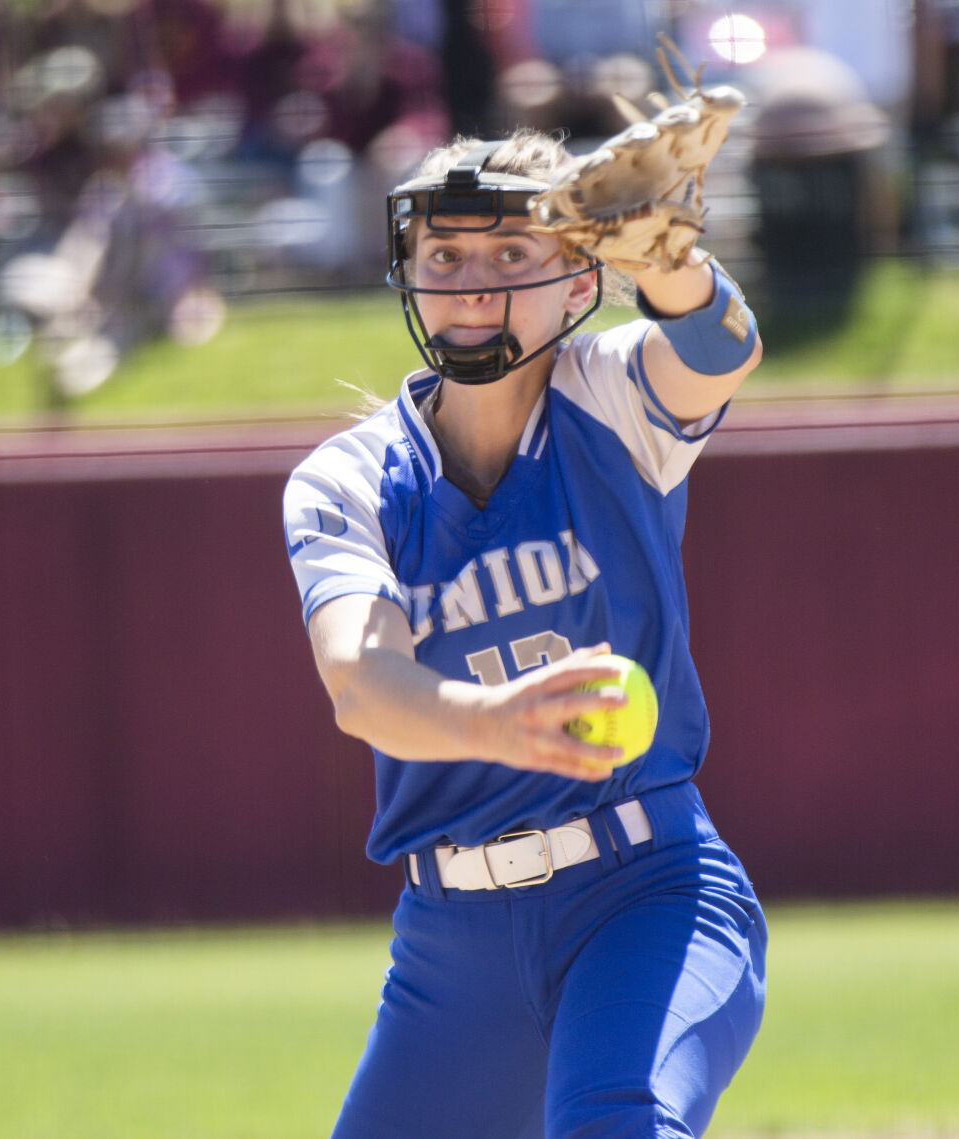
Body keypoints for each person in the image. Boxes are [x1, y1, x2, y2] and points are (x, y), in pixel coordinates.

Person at [281, 127, 767, 1137]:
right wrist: (496, 720)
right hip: (450, 944)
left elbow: (721, 349)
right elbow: (361, 684)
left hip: (645, 891)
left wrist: (668, 264)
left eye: (512, 255)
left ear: (577, 277)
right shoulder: (351, 477)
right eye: (444, 257)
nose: (471, 286)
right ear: (407, 273)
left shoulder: (610, 396)